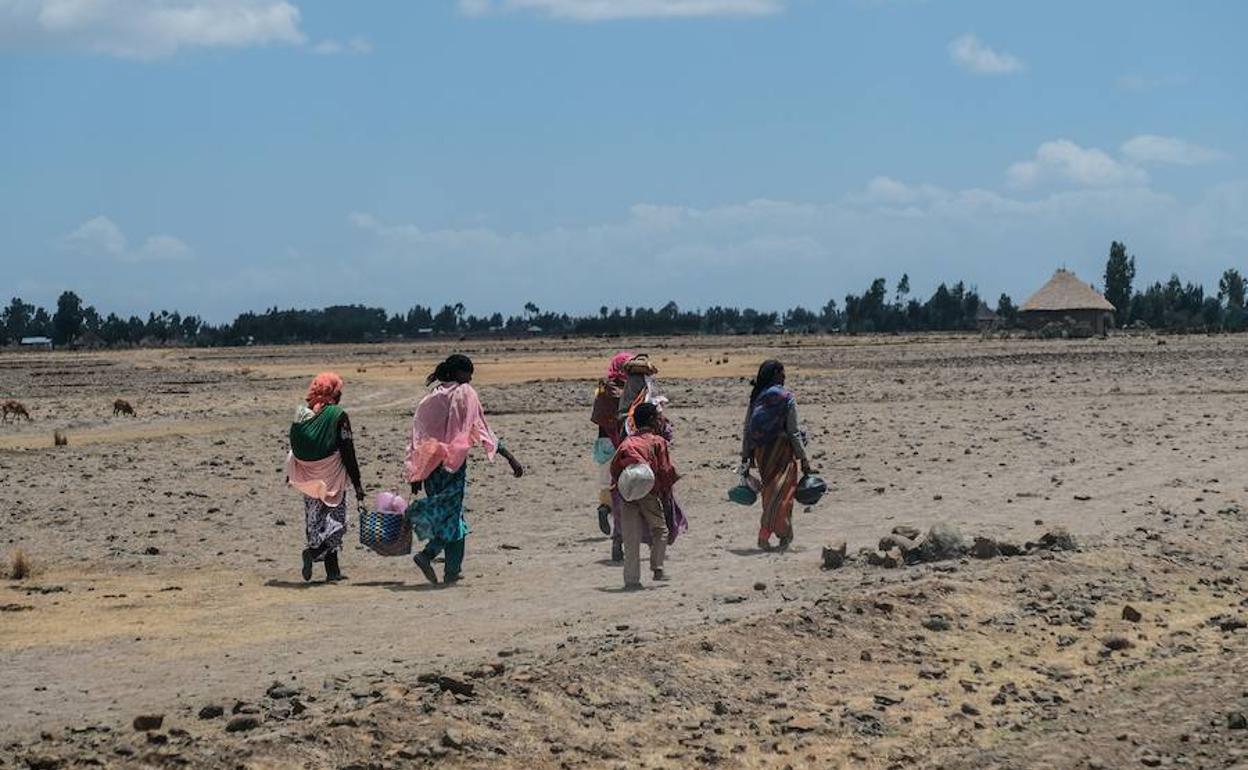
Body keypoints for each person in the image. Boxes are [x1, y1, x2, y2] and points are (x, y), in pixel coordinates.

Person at [405, 354, 524, 585]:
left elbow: (417, 437)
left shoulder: (430, 398)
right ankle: (428, 555)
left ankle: (452, 571)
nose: (470, 379)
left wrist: (416, 473)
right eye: (469, 374)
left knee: (452, 519)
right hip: (453, 468)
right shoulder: (466, 393)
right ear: (459, 373)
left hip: (430, 470)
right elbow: (481, 429)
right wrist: (510, 457)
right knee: (451, 519)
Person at [286, 372, 364, 582]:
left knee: (317, 520)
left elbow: (293, 445)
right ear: (334, 392)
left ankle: (333, 571)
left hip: (308, 477)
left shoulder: (304, 413)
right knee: (337, 521)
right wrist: (357, 483)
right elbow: (348, 450)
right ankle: (312, 554)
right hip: (332, 476)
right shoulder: (338, 415)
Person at [740, 360, 813, 552]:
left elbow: (747, 428)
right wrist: (803, 458)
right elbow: (793, 432)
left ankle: (782, 536)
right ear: (775, 375)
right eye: (782, 373)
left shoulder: (757, 397)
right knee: (783, 495)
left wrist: (745, 456)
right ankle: (772, 534)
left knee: (770, 493)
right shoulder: (786, 397)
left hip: (762, 454)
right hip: (782, 452)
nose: (785, 376)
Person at [611, 402, 678, 589]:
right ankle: (657, 567)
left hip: (627, 492)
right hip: (649, 492)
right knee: (660, 529)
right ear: (651, 420)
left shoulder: (627, 442)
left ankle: (631, 581)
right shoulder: (658, 442)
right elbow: (665, 470)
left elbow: (614, 468)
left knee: (631, 537)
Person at [590, 352, 632, 549]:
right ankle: (620, 528)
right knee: (624, 486)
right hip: (623, 442)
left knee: (607, 483)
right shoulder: (629, 391)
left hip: (603, 442)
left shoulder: (601, 390)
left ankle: (604, 508)